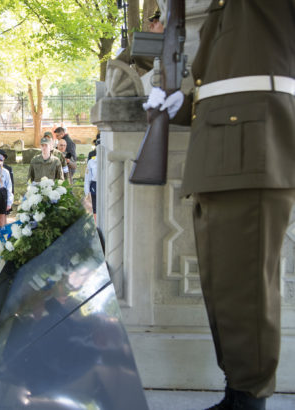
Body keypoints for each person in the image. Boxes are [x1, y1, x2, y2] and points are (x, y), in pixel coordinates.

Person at [144, 1, 295, 408]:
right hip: (220, 148)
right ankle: (238, 391)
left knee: (246, 287)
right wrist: (183, 104)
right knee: (224, 286)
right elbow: (221, 81)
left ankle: (249, 398)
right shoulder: (223, 9)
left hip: (255, 146)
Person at [84, 154, 97, 223]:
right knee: (94, 210)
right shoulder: (92, 161)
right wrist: (87, 193)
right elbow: (87, 179)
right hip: (94, 187)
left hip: (107, 188)